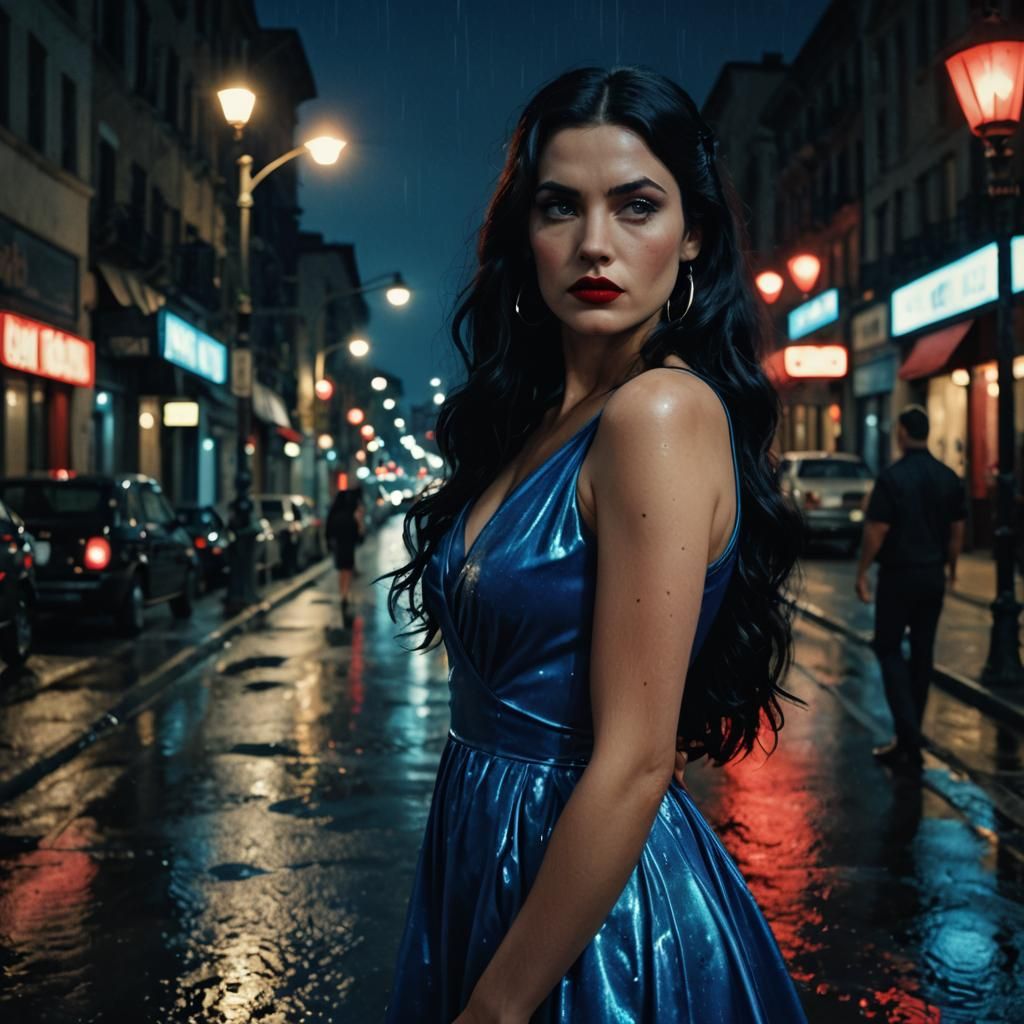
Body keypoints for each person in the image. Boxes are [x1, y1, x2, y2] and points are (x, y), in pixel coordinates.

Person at [376, 66, 808, 1022]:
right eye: (560, 207)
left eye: (637, 206)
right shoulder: (541, 419)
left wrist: (499, 1006)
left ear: (692, 231)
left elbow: (640, 760)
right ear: (523, 234)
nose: (595, 244)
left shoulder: (657, 411)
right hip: (489, 850)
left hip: (596, 913)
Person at [855, 405, 967, 771]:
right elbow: (956, 533)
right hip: (931, 574)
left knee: (887, 647)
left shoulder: (892, 478)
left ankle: (909, 738)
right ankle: (908, 739)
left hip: (898, 576)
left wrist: (862, 571)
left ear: (903, 433)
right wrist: (951, 570)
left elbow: (877, 530)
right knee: (922, 655)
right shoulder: (948, 477)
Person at [325, 487, 364, 616]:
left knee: (341, 570)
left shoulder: (334, 514)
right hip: (349, 546)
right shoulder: (351, 515)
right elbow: (359, 537)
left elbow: (329, 531)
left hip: (339, 546)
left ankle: (342, 592)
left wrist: (329, 543)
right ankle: (345, 593)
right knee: (347, 570)